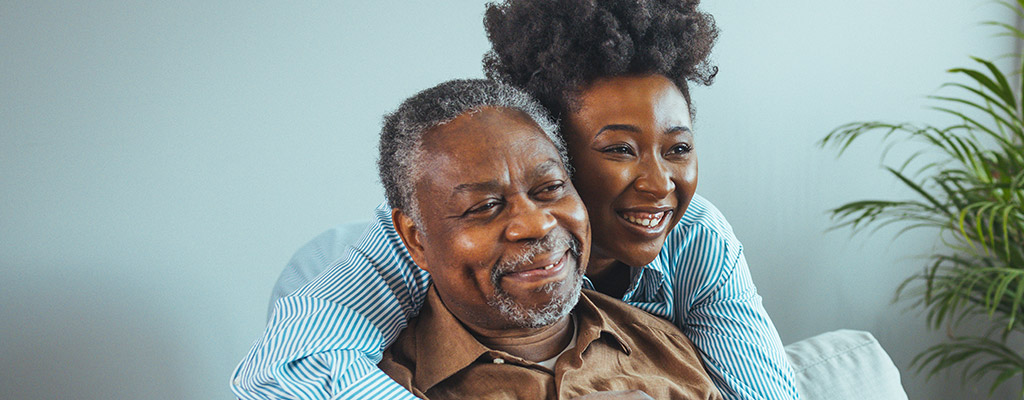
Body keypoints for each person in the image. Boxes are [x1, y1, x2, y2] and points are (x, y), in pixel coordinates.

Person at [231, 1, 799, 399]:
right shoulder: (405, 246)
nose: (659, 183)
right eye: (620, 149)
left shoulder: (697, 233)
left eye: (678, 148)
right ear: (551, 150)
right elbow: (292, 368)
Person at [373, 79, 720, 399]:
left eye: (551, 188)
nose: (536, 224)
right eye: (484, 206)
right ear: (416, 239)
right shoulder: (382, 383)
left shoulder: (668, 349)